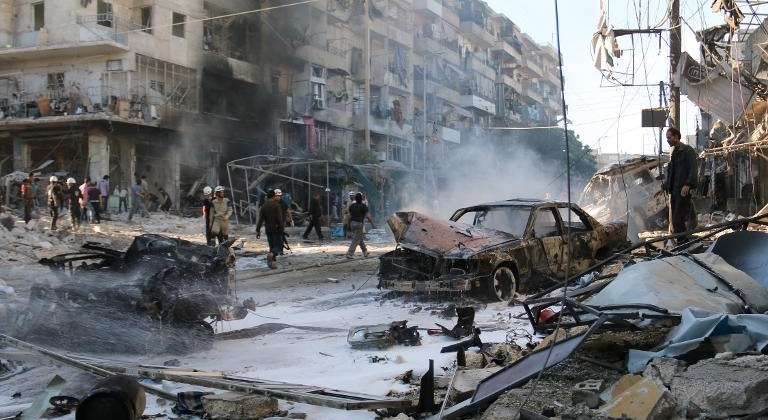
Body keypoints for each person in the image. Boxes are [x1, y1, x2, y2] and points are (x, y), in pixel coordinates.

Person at [663, 127, 698, 243]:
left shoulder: (687, 150)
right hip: (674, 191)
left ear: (676, 136)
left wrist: (688, 184)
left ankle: (683, 242)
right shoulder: (674, 153)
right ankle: (682, 242)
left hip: (683, 191)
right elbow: (672, 173)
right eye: (667, 138)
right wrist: (665, 186)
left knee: (678, 219)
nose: (668, 140)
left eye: (669, 137)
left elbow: (693, 168)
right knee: (675, 220)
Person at [256, 189, 285, 269]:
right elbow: (279, 219)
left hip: (268, 229)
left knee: (271, 246)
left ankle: (273, 264)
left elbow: (260, 220)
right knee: (278, 246)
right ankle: (271, 255)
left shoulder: (264, 206)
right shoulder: (276, 205)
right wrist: (282, 228)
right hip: (276, 229)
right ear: (273, 196)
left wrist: (258, 230)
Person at [346, 193, 375, 259]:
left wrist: (348, 225)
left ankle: (365, 251)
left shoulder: (352, 206)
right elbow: (368, 216)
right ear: (361, 199)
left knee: (359, 238)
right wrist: (373, 224)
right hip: (359, 224)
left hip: (352, 223)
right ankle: (350, 253)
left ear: (355, 199)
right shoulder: (363, 206)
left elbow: (349, 216)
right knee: (356, 239)